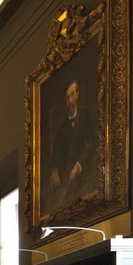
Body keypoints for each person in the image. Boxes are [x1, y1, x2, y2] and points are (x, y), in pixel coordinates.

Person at [47, 77, 96, 214]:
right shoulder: (63, 124)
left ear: (78, 95)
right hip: (65, 173)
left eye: (73, 94)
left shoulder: (86, 115)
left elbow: (92, 144)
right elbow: (56, 151)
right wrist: (54, 171)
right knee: (60, 205)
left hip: (82, 167)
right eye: (68, 97)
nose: (70, 100)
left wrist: (78, 166)